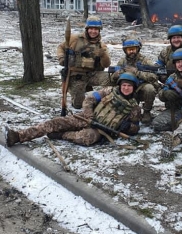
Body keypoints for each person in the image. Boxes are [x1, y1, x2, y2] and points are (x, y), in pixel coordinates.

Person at [5, 73, 141, 147]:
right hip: (86, 118)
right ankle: (18, 136)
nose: (126, 88)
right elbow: (89, 99)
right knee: (54, 123)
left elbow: (135, 127)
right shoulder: (109, 91)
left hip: (101, 131)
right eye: (124, 85)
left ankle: (61, 135)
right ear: (120, 85)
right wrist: (89, 115)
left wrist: (129, 127)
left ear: (133, 88)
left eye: (129, 86)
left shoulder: (134, 107)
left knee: (86, 138)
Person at [57, 15, 111, 109]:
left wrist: (103, 55)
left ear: (99, 30)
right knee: (79, 105)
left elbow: (106, 65)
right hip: (77, 76)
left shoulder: (101, 45)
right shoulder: (75, 39)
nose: (93, 31)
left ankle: (107, 100)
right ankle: (76, 97)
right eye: (91, 29)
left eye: (96, 29)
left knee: (113, 78)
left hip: (93, 74)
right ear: (87, 29)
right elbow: (61, 47)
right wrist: (61, 58)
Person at [110, 38, 159, 124]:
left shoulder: (145, 60)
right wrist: (118, 74)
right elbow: (112, 78)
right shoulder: (122, 61)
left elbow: (154, 76)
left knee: (149, 89)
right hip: (128, 88)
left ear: (138, 49)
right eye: (129, 49)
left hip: (141, 87)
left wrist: (137, 73)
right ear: (125, 50)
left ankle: (146, 112)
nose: (131, 51)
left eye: (133, 49)